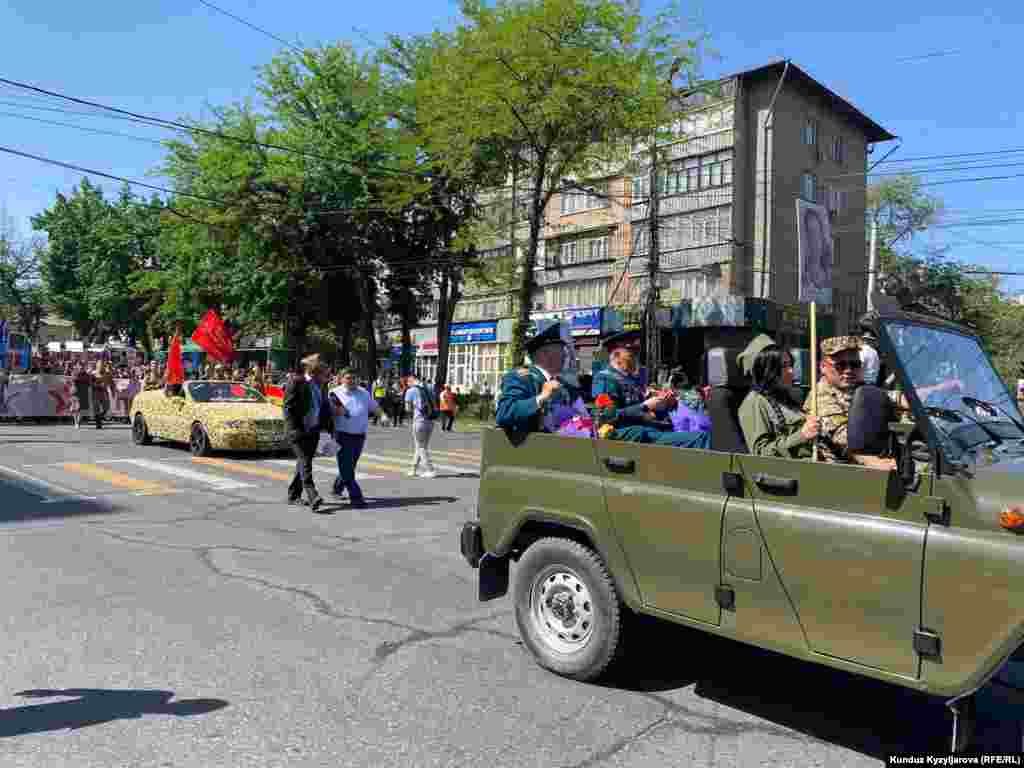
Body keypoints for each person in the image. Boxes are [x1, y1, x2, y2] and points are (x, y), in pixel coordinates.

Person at [591, 331, 708, 448]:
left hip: (651, 431)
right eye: (630, 352)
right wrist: (645, 406)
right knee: (701, 439)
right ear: (616, 355)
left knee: (704, 435)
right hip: (634, 436)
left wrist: (665, 403)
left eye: (636, 351)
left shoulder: (632, 380)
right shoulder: (605, 379)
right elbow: (605, 417)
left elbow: (648, 414)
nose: (636, 356)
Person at [738, 334, 820, 458]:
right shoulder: (754, 402)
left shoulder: (786, 397)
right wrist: (802, 435)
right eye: (784, 366)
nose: (791, 371)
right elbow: (760, 454)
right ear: (766, 369)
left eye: (791, 365)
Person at [495, 323, 579, 435]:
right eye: (561, 350)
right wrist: (541, 397)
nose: (565, 355)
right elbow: (504, 414)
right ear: (545, 354)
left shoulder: (564, 384)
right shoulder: (520, 378)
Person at [283, 354, 333, 512]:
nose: (327, 378)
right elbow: (288, 408)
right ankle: (313, 495)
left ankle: (293, 495)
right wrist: (294, 429)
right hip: (298, 430)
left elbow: (324, 407)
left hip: (314, 429)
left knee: (303, 462)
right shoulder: (296, 381)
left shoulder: (322, 386)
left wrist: (328, 429)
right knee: (305, 462)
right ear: (314, 372)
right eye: (324, 374)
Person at [327, 368, 378, 508]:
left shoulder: (364, 393)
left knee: (350, 466)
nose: (352, 381)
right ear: (342, 379)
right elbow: (328, 413)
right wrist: (335, 412)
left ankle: (337, 488)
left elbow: (374, 407)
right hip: (342, 435)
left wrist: (383, 415)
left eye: (354, 378)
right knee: (347, 468)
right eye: (348, 378)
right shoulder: (334, 393)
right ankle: (356, 497)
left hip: (360, 436)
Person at [403, 373, 439, 478]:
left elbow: (407, 409)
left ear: (411, 380)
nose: (407, 384)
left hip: (419, 421)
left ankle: (430, 469)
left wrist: (413, 407)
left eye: (407, 382)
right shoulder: (429, 388)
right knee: (420, 446)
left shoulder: (411, 391)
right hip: (431, 420)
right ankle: (413, 469)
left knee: (421, 447)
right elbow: (435, 403)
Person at [92, 360, 113, 430]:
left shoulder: (107, 373)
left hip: (104, 392)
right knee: (96, 408)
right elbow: (91, 383)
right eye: (100, 365)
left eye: (102, 365)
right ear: (97, 366)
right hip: (96, 392)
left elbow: (111, 381)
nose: (101, 366)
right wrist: (98, 385)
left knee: (106, 408)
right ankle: (98, 424)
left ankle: (99, 419)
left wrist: (112, 389)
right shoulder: (93, 374)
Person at [72, 363, 91, 429]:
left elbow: (89, 383)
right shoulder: (75, 373)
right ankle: (76, 422)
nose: (81, 368)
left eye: (82, 367)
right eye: (80, 367)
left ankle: (78, 422)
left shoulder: (87, 375)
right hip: (76, 393)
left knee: (82, 409)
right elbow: (74, 381)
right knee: (75, 409)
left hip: (84, 393)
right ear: (78, 367)